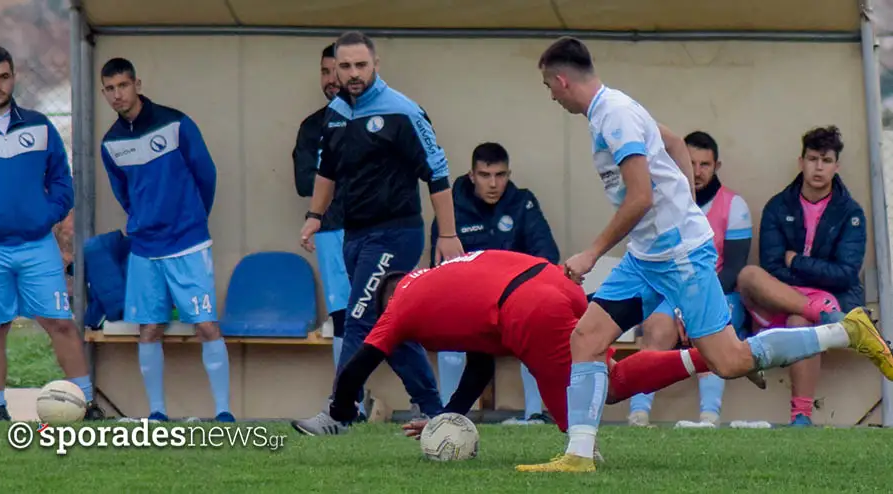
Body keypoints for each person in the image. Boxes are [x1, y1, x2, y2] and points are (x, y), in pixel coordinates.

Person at [516, 36, 893, 473]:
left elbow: (638, 198)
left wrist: (592, 253)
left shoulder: (614, 115)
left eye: (548, 86)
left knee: (729, 360)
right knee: (585, 338)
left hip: (678, 257)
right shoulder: (613, 107)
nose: (550, 95)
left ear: (562, 80)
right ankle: (579, 456)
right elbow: (676, 144)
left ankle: (847, 332)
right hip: (646, 257)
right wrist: (685, 197)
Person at [292, 250, 759, 438]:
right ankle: (712, 356)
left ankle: (712, 357)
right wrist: (445, 418)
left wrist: (336, 415)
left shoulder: (398, 306)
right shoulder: (445, 274)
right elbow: (480, 363)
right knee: (606, 372)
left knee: (601, 395)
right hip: (554, 283)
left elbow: (358, 365)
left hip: (530, 309)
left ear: (388, 300)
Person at [294, 31, 463, 434]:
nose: (353, 74)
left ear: (376, 65)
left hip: (396, 234)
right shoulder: (335, 113)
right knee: (390, 322)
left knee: (357, 319)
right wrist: (315, 215)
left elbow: (437, 173)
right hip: (355, 235)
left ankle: (339, 412)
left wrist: (448, 235)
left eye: (361, 65)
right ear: (334, 68)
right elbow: (326, 170)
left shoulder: (402, 111)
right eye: (345, 66)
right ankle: (435, 411)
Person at [0, 45, 102, 421]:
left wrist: (44, 217)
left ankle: (87, 403)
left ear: (13, 77)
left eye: (3, 77)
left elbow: (62, 182)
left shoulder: (39, 125)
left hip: (36, 245)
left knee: (60, 322)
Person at [98, 57, 233, 423]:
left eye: (122, 86)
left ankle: (224, 412)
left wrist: (191, 217)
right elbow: (123, 194)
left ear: (137, 84)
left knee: (206, 325)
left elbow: (206, 173)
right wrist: (144, 220)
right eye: (109, 89)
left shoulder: (176, 122)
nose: (116, 95)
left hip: (188, 241)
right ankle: (157, 413)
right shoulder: (110, 142)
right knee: (150, 328)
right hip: (145, 248)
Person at [737, 125, 865, 427]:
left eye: (826, 160)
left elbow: (846, 274)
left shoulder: (850, 213)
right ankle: (817, 313)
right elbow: (772, 267)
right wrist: (804, 277)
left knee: (801, 324)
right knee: (749, 275)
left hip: (827, 300)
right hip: (783, 298)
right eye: (812, 159)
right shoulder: (778, 206)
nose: (818, 167)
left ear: (837, 166)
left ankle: (801, 417)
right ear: (801, 162)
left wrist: (798, 261)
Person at [627, 131, 753, 428]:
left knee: (708, 328)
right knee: (656, 327)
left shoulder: (734, 206)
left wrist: (692, 306)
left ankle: (709, 416)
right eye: (690, 162)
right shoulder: (659, 204)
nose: (696, 172)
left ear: (716, 166)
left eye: (704, 164)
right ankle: (638, 414)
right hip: (671, 295)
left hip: (718, 293)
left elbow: (733, 270)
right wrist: (680, 305)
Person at [431, 142, 560, 425]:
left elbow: (547, 257)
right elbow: (438, 268)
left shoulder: (522, 203)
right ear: (472, 175)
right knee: (447, 335)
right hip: (468, 305)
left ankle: (536, 415)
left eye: (500, 175)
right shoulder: (451, 207)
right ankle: (446, 418)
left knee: (539, 325)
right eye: (485, 175)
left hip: (514, 302)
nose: (493, 184)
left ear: (508, 174)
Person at [292, 43, 351, 370]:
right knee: (341, 315)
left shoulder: (377, 118)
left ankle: (418, 397)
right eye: (324, 71)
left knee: (381, 312)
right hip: (329, 230)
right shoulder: (312, 127)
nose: (331, 79)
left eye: (336, 71)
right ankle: (348, 399)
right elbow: (304, 182)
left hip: (373, 229)